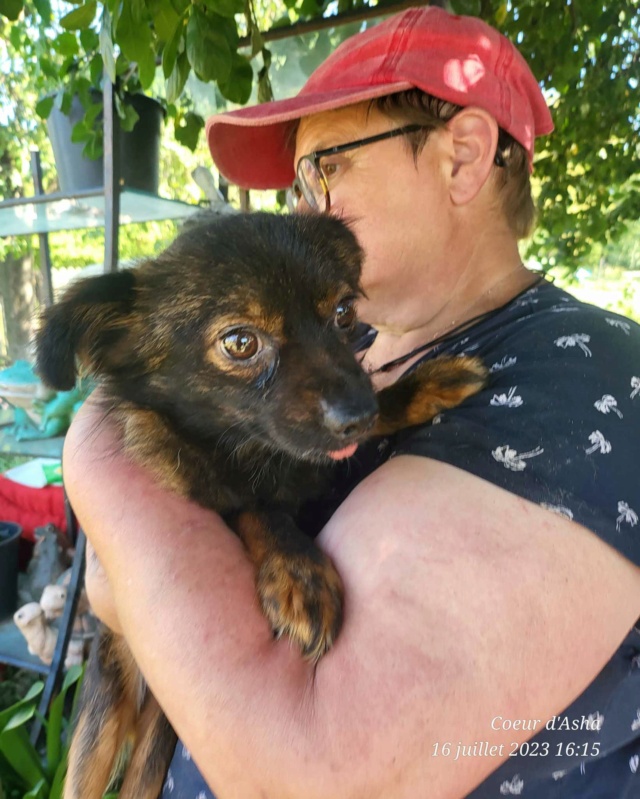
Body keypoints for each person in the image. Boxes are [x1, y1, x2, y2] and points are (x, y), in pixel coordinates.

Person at [63, 6, 640, 798]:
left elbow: (312, 771)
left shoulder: (589, 379)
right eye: (300, 182)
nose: (303, 209)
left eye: (325, 168)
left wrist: (99, 469)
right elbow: (115, 591)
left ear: (463, 157)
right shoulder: (358, 352)